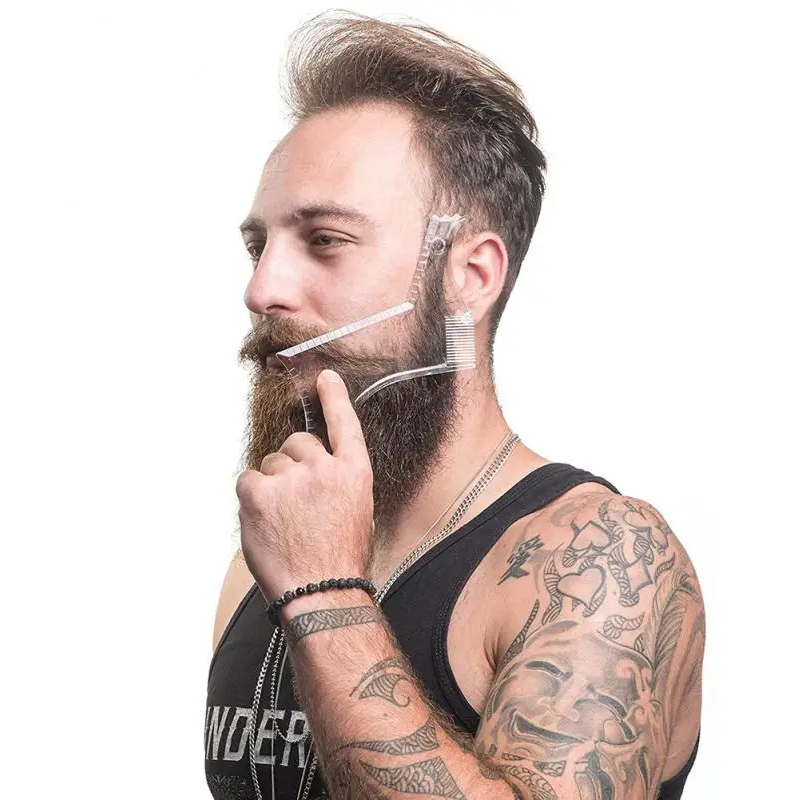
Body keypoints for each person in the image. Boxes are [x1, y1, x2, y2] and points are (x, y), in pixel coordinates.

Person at [206, 11, 704, 800]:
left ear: (469, 276)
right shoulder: (261, 561)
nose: (263, 288)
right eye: (257, 247)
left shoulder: (603, 559)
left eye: (326, 240)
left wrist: (324, 596)